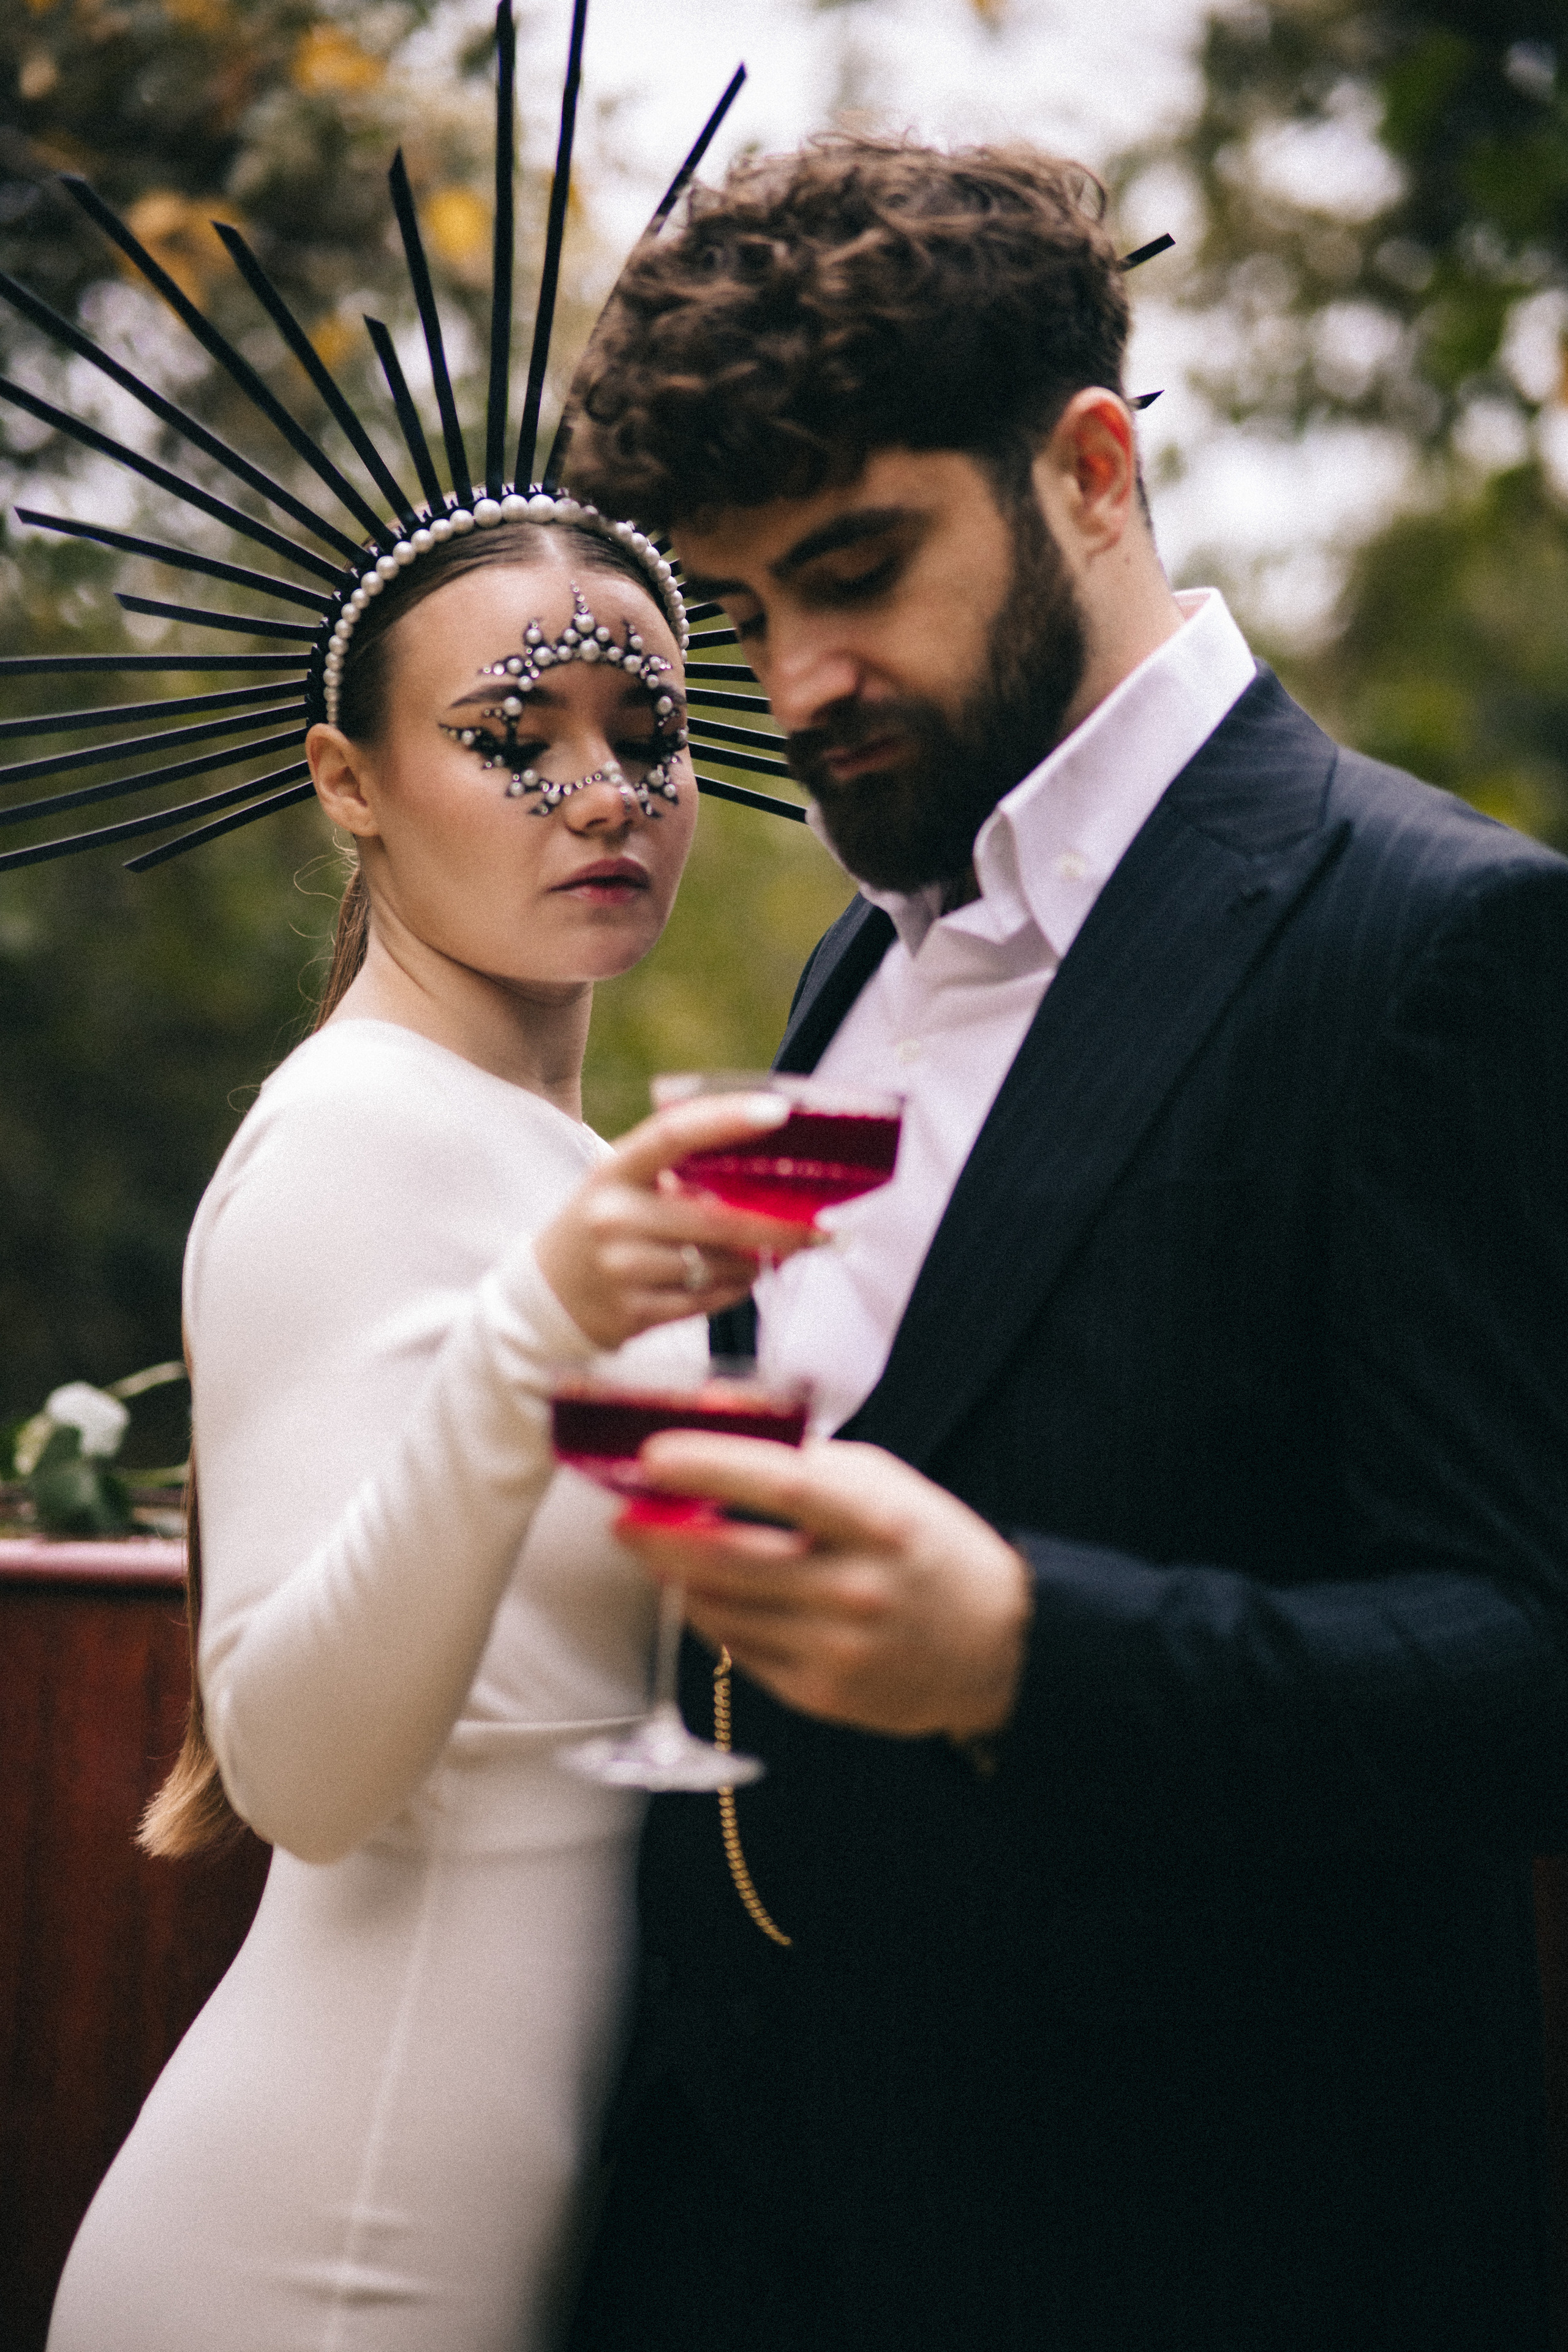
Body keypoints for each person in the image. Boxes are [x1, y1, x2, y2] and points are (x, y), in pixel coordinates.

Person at [560, 138, 1568, 2351]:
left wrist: (1030, 1650)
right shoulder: (858, 963)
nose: (799, 680)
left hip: (1213, 2255)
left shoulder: (1444, 942)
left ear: (1093, 470)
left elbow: (1531, 1670)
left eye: (856, 568)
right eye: (742, 609)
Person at [45, 514, 811, 2352]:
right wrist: (533, 1334)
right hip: (323, 2263)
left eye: (650, 731)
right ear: (348, 784)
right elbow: (296, 1772)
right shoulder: (355, 1138)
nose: (603, 793)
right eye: (511, 738)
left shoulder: (537, 1152)